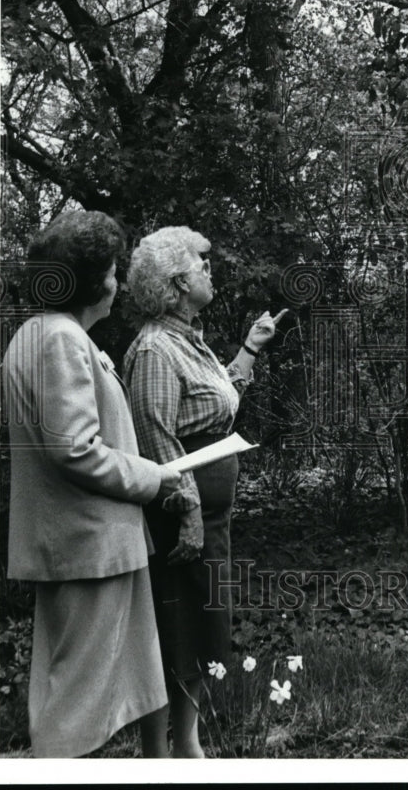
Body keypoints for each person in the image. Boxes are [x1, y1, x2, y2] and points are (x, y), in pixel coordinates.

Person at [2, 210, 184, 758]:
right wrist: (155, 477)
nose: (119, 281)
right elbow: (74, 449)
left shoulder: (49, 334)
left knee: (142, 677)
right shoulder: (59, 339)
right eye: (111, 270)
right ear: (88, 281)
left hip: (99, 546)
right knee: (74, 709)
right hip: (87, 547)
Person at [123, 226, 284, 758]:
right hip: (181, 523)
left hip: (208, 522)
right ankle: (161, 753)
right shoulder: (153, 349)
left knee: (200, 628)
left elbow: (218, 405)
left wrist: (249, 350)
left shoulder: (187, 340)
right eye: (202, 262)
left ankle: (186, 742)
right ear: (176, 281)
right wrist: (188, 510)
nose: (211, 270)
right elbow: (156, 440)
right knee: (176, 629)